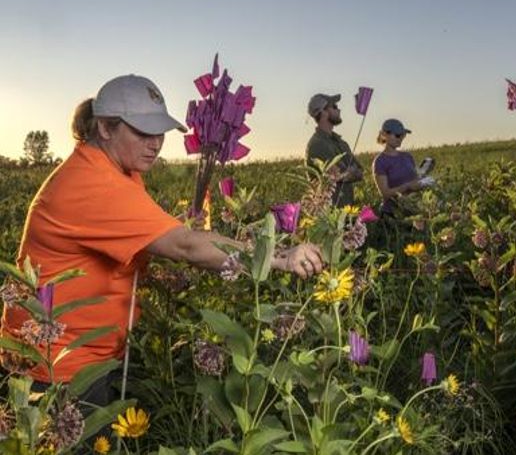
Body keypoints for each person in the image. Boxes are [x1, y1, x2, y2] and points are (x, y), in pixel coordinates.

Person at [1, 75, 325, 406]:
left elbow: (143, 229)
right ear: (105, 128)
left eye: (160, 132)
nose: (155, 143)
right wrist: (279, 257)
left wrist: (180, 226)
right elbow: (185, 246)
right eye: (143, 132)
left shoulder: (113, 169)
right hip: (57, 365)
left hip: (84, 353)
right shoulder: (93, 183)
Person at [305, 93, 364, 207]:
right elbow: (337, 175)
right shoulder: (317, 144)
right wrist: (349, 173)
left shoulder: (341, 142)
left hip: (347, 210)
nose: (339, 110)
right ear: (323, 112)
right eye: (334, 106)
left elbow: (360, 172)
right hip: (329, 213)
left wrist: (349, 173)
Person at [371, 118, 435, 217]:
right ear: (384, 135)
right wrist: (407, 186)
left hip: (412, 210)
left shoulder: (407, 156)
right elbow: (385, 193)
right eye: (397, 135)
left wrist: (424, 181)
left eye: (403, 135)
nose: (400, 138)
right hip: (392, 214)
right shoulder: (380, 161)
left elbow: (415, 180)